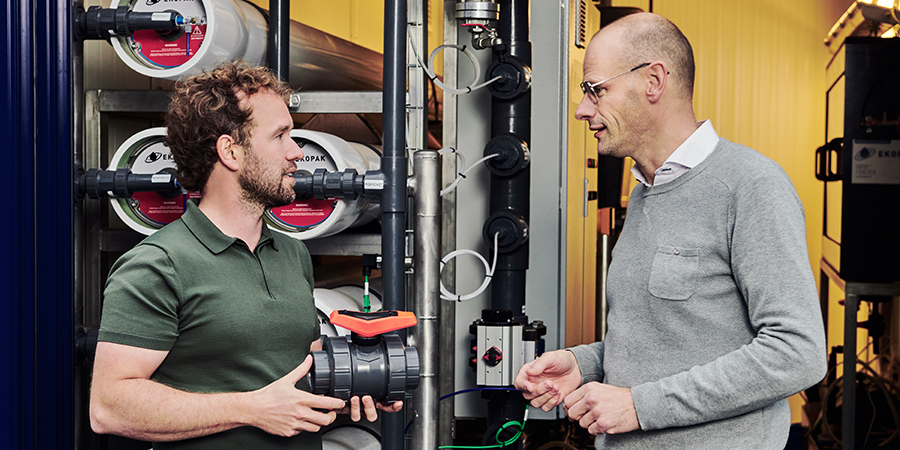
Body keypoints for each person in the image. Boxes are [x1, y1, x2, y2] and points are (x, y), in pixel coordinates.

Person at [514, 13, 826, 449]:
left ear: (654, 81)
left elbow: (797, 353)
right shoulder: (646, 190)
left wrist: (639, 406)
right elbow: (667, 341)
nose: (583, 110)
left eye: (596, 90)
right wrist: (583, 364)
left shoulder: (751, 185)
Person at [89, 61, 401, 449]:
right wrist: (251, 409)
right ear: (230, 152)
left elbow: (300, 379)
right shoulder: (157, 265)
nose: (296, 152)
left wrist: (356, 385)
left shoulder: (292, 253)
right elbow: (110, 407)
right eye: (280, 136)